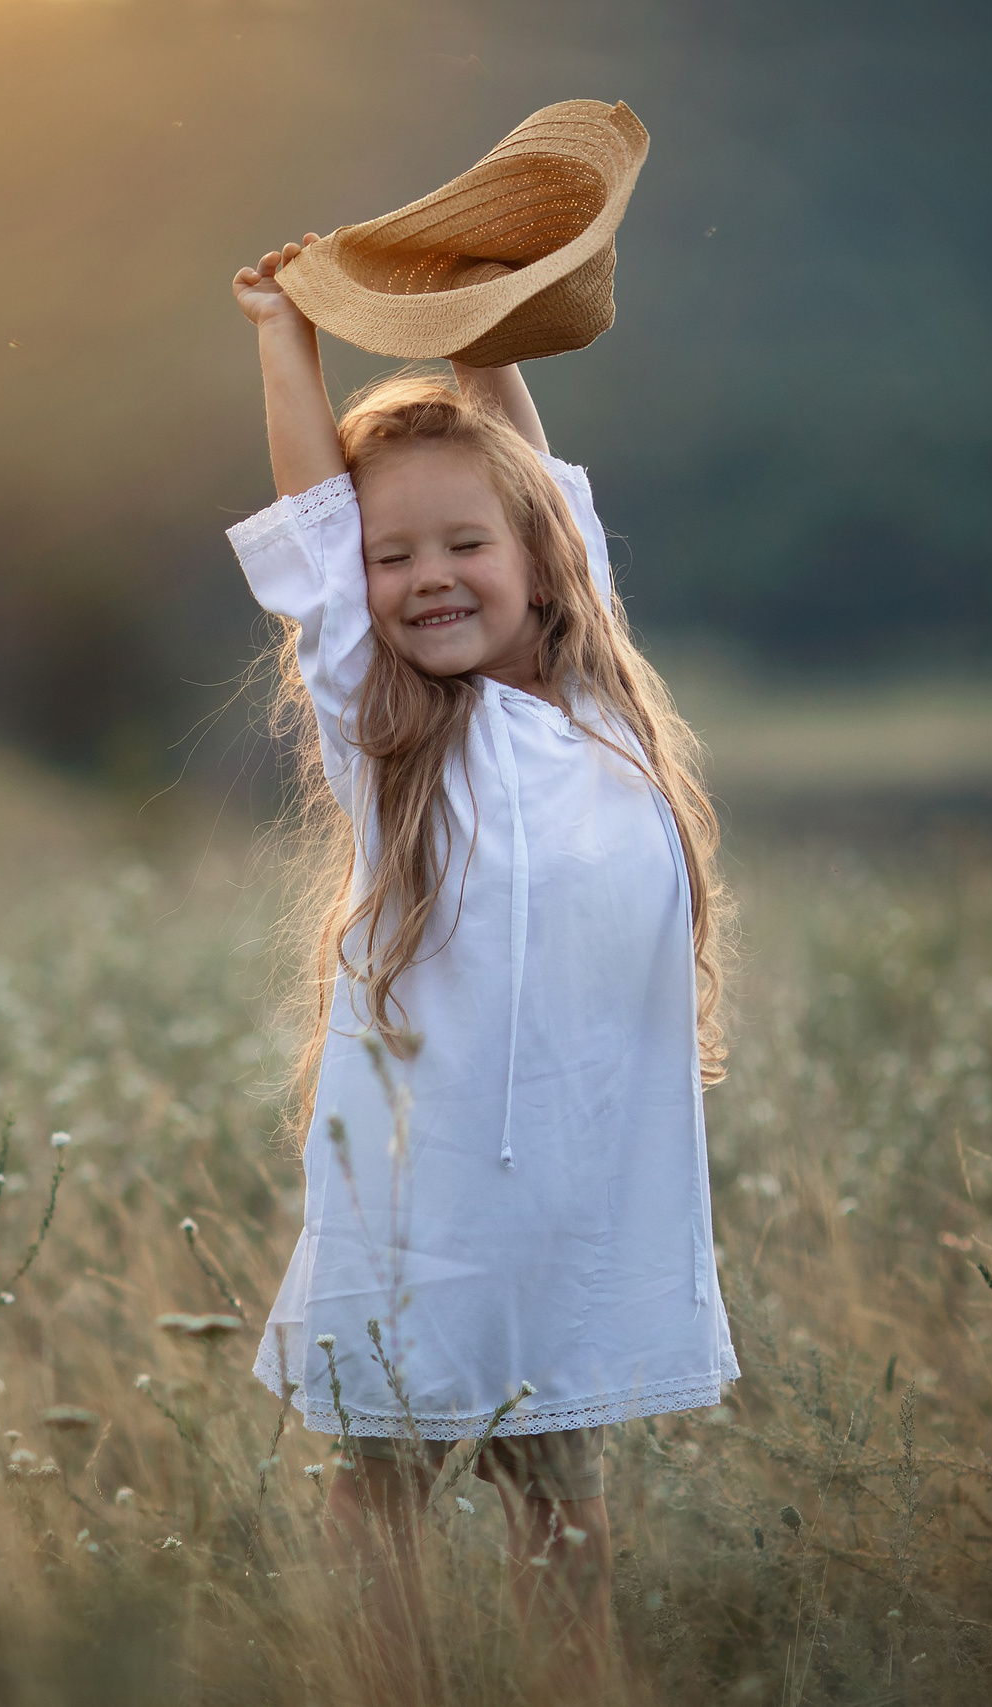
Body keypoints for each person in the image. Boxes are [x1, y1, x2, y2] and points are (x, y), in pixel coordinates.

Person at [226, 235, 739, 1694]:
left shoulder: (598, 708)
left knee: (560, 1492)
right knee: (382, 1478)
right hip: (420, 1186)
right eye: (396, 558)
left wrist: (480, 327)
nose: (428, 577)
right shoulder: (385, 731)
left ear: (540, 568)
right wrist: (284, 334)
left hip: (573, 1189)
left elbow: (534, 477)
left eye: (465, 547)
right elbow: (320, 537)